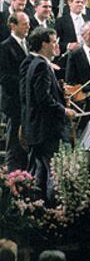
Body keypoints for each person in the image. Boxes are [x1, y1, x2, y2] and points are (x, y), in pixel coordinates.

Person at [21, 27, 76, 202]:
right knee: (56, 174)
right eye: (53, 42)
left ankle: (41, 212)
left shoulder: (37, 63)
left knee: (41, 175)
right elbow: (43, 99)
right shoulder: (41, 65)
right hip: (48, 131)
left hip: (41, 131)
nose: (56, 46)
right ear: (44, 44)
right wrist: (64, 110)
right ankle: (55, 213)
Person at [0, 12, 30, 171]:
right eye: (25, 24)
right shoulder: (4, 47)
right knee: (14, 145)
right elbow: (4, 77)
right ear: (13, 25)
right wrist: (26, 83)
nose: (28, 27)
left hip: (28, 104)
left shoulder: (29, 44)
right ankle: (13, 179)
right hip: (14, 103)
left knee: (26, 145)